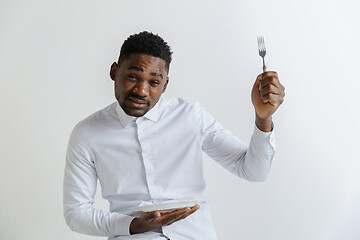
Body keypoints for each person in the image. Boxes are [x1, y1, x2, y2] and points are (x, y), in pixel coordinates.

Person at [63, 31, 285, 240]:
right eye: (133, 76)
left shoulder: (191, 116)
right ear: (114, 72)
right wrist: (133, 224)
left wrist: (262, 118)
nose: (141, 90)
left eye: (154, 82)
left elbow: (253, 171)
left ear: (165, 84)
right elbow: (76, 213)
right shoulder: (87, 133)